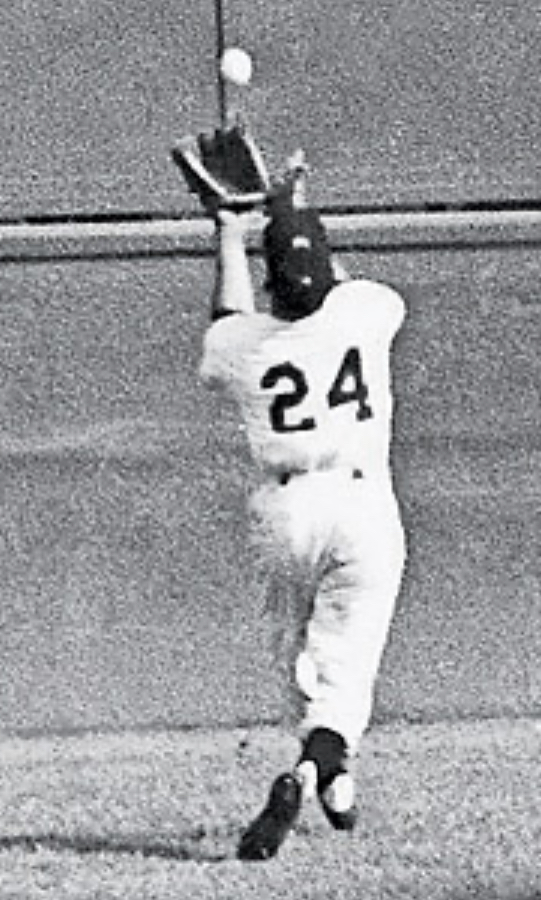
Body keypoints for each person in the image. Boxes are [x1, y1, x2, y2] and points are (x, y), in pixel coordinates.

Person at [199, 156, 407, 861]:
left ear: (270, 285)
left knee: (298, 663)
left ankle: (328, 771)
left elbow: (229, 318)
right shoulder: (369, 312)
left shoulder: (245, 345)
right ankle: (318, 765)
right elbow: (331, 281)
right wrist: (293, 211)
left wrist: (233, 235)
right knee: (347, 663)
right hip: (361, 503)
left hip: (284, 512)